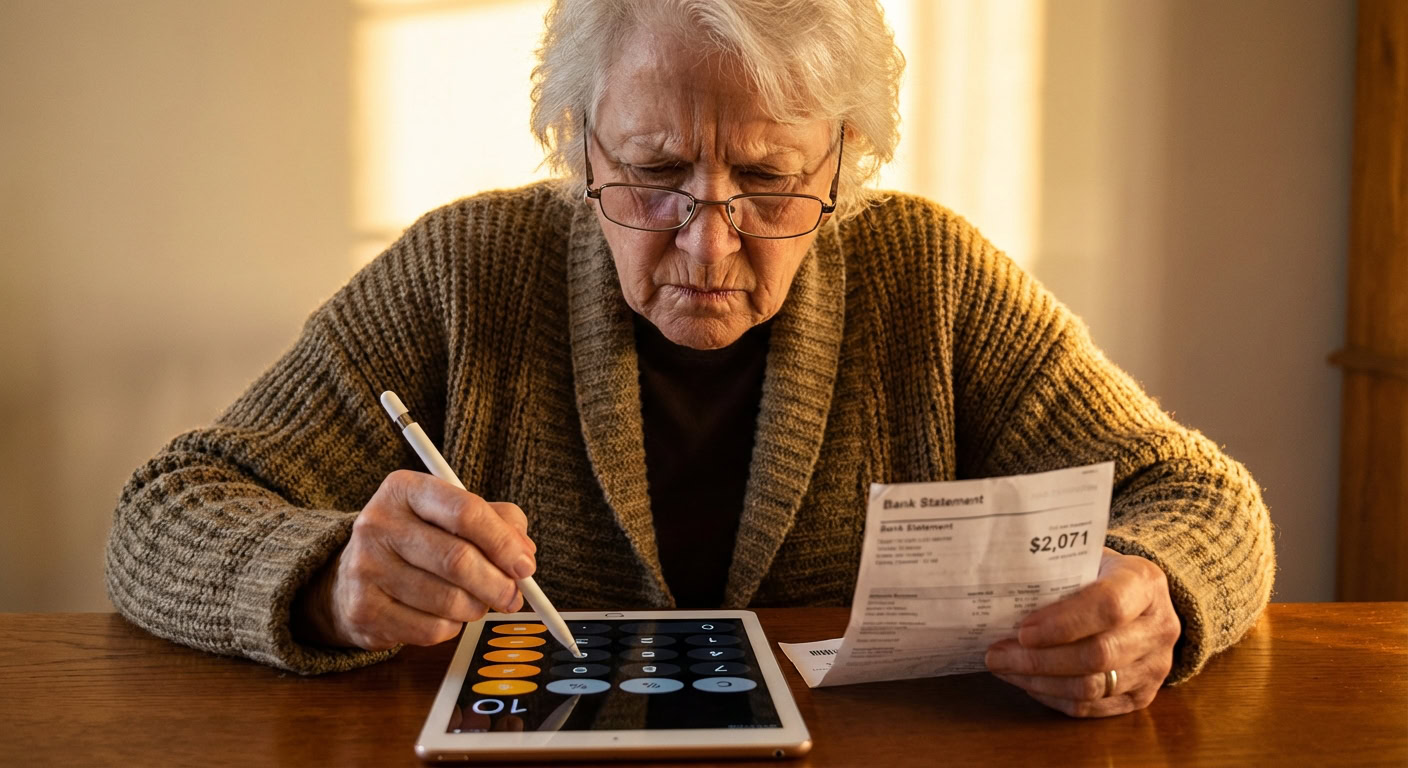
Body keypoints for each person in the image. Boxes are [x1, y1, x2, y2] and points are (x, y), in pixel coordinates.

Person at [105, 0, 1274, 719]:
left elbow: (1205, 500)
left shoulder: (931, 279)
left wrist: (1154, 596)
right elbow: (162, 512)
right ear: (577, 143)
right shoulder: (467, 272)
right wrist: (325, 582)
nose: (708, 244)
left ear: (845, 160)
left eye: (768, 181)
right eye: (653, 176)